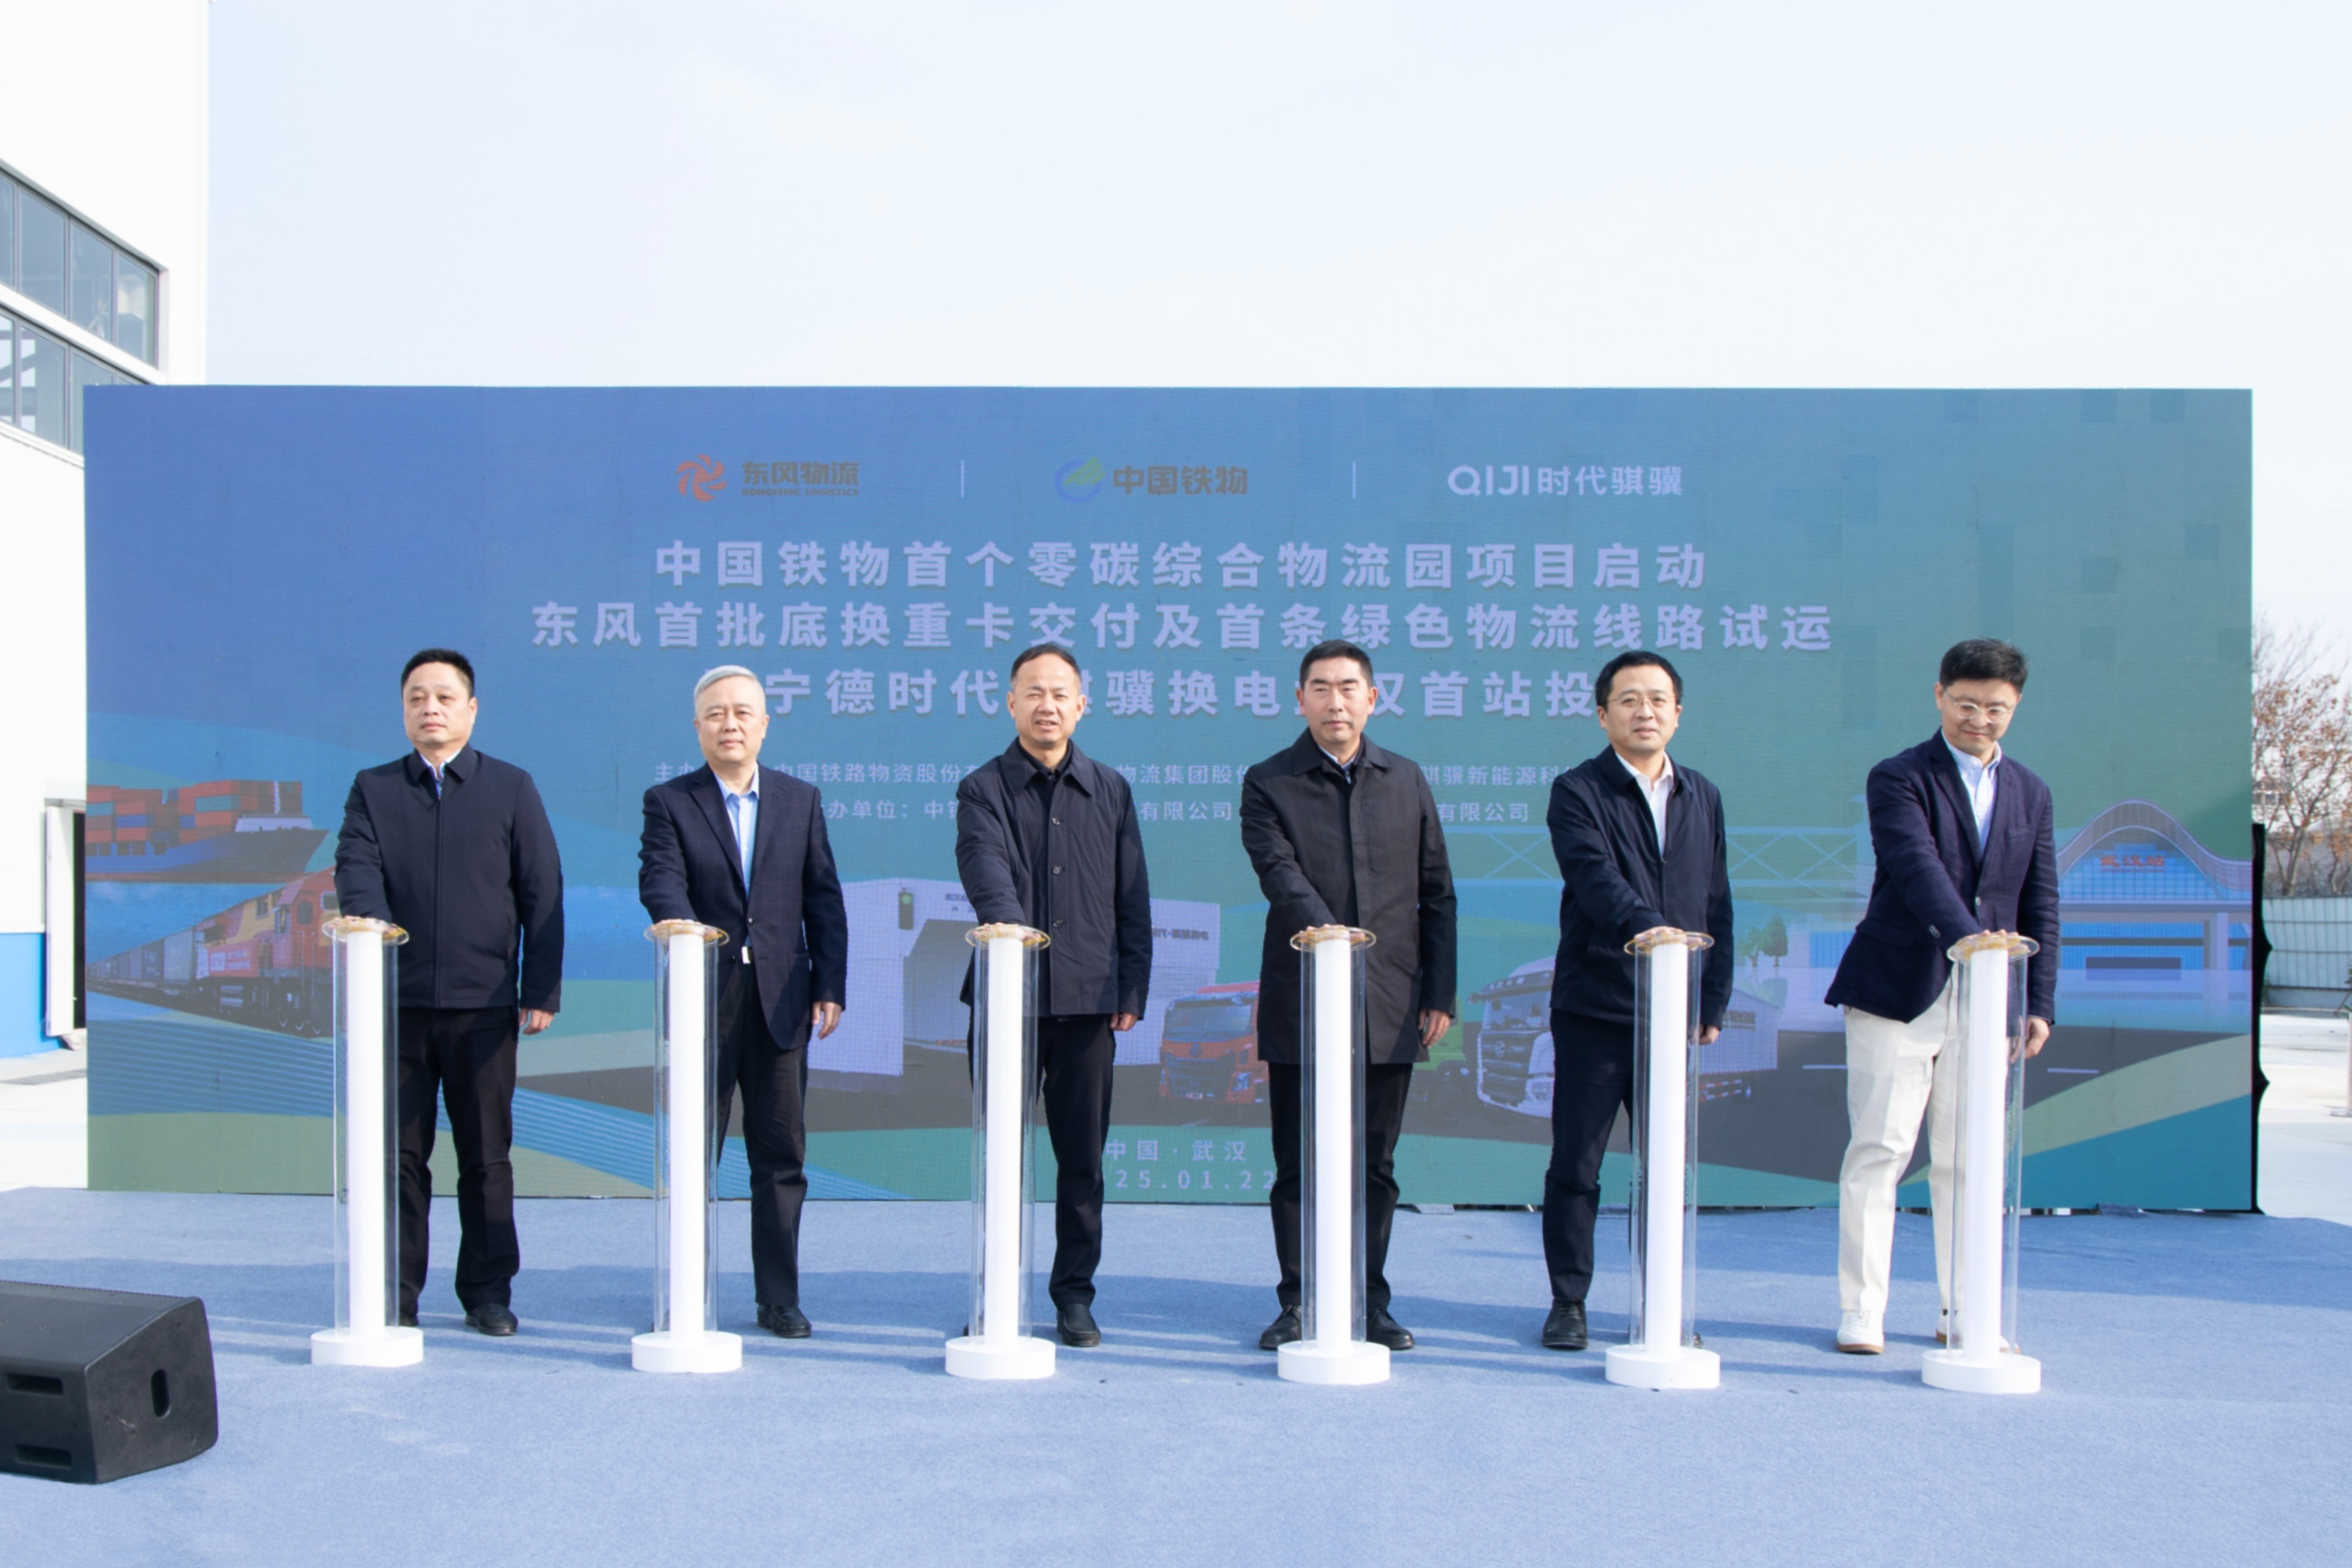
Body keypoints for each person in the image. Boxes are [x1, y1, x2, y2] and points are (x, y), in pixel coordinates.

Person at [1825, 639, 2058, 1354]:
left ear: (2016, 708)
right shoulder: (1899, 776)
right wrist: (1972, 940)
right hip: (1899, 988)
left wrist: (2037, 1001)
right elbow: (1915, 865)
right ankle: (1863, 1309)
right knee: (1882, 1148)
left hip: (1989, 1000)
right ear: (1939, 696)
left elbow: (2041, 899)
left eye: (1996, 709)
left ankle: (1965, 1309)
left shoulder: (2031, 791)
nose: (1979, 719)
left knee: (1970, 1156)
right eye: (1966, 704)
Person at [335, 648, 565, 1337]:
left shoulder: (510, 787)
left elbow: (542, 890)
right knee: (398, 1159)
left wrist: (540, 988)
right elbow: (356, 871)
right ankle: (394, 1294)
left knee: (486, 1158)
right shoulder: (374, 789)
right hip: (397, 1008)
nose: (429, 708)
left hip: (484, 1007)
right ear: (403, 710)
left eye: (443, 696)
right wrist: (373, 941)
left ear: (471, 708)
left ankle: (487, 1292)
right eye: (416, 698)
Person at [1240, 639, 1456, 1353]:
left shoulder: (1407, 780)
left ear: (1373, 698)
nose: (1336, 702)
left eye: (1348, 688)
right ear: (1299, 699)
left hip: (1390, 1002)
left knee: (1376, 1165)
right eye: (1321, 688)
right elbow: (1279, 873)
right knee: (1299, 1163)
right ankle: (1299, 1301)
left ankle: (1369, 1301)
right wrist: (1330, 934)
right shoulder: (1268, 782)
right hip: (1302, 998)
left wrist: (1439, 992)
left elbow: (1437, 893)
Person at [639, 664, 849, 1339]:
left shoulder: (800, 799)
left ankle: (778, 1298)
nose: (730, 724)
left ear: (763, 724)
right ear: (698, 726)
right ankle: (687, 1292)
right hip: (706, 996)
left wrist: (830, 984)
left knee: (780, 1157)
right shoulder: (670, 801)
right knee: (692, 1154)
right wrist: (682, 927)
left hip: (783, 1002)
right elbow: (660, 878)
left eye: (742, 713)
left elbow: (823, 896)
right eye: (716, 713)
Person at [954, 645, 1152, 1348]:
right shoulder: (982, 789)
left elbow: (1132, 896)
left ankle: (1073, 1296)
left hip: (1090, 999)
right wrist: (1011, 935)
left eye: (1060, 693)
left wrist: (1132, 985)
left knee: (1082, 1161)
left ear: (1081, 705)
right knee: (1000, 1157)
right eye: (1033, 692)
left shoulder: (1111, 790)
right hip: (1007, 1000)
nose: (1047, 705)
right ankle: (997, 1293)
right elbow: (984, 869)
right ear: (1010, 703)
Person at [1537, 650, 1733, 1351]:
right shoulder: (1577, 790)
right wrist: (1650, 929)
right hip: (1595, 1007)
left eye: (1657, 699)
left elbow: (1716, 898)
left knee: (1665, 1166)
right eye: (1628, 700)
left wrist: (1713, 995)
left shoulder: (1702, 794)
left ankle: (1663, 1303)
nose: (1644, 711)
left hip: (1672, 1010)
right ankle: (1569, 1301)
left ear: (1678, 713)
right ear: (1603, 714)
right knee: (1577, 1164)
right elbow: (1593, 877)